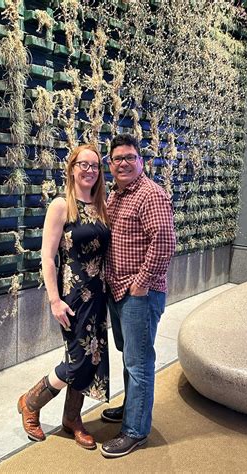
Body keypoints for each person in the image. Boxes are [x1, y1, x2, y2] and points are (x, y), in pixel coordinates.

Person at [18, 144, 110, 450]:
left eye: (95, 166)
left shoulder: (101, 205)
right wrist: (54, 300)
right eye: (83, 164)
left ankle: (72, 418)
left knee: (92, 357)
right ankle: (31, 402)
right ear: (71, 169)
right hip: (72, 295)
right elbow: (47, 258)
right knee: (78, 359)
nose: (89, 171)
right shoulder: (61, 206)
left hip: (98, 295)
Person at [100, 133, 176, 458]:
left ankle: (135, 430)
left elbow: (165, 242)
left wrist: (142, 283)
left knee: (139, 360)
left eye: (130, 157)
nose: (124, 163)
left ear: (141, 161)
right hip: (119, 290)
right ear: (110, 164)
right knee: (130, 354)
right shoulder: (116, 195)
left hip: (139, 294)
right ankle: (133, 407)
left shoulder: (150, 194)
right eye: (117, 158)